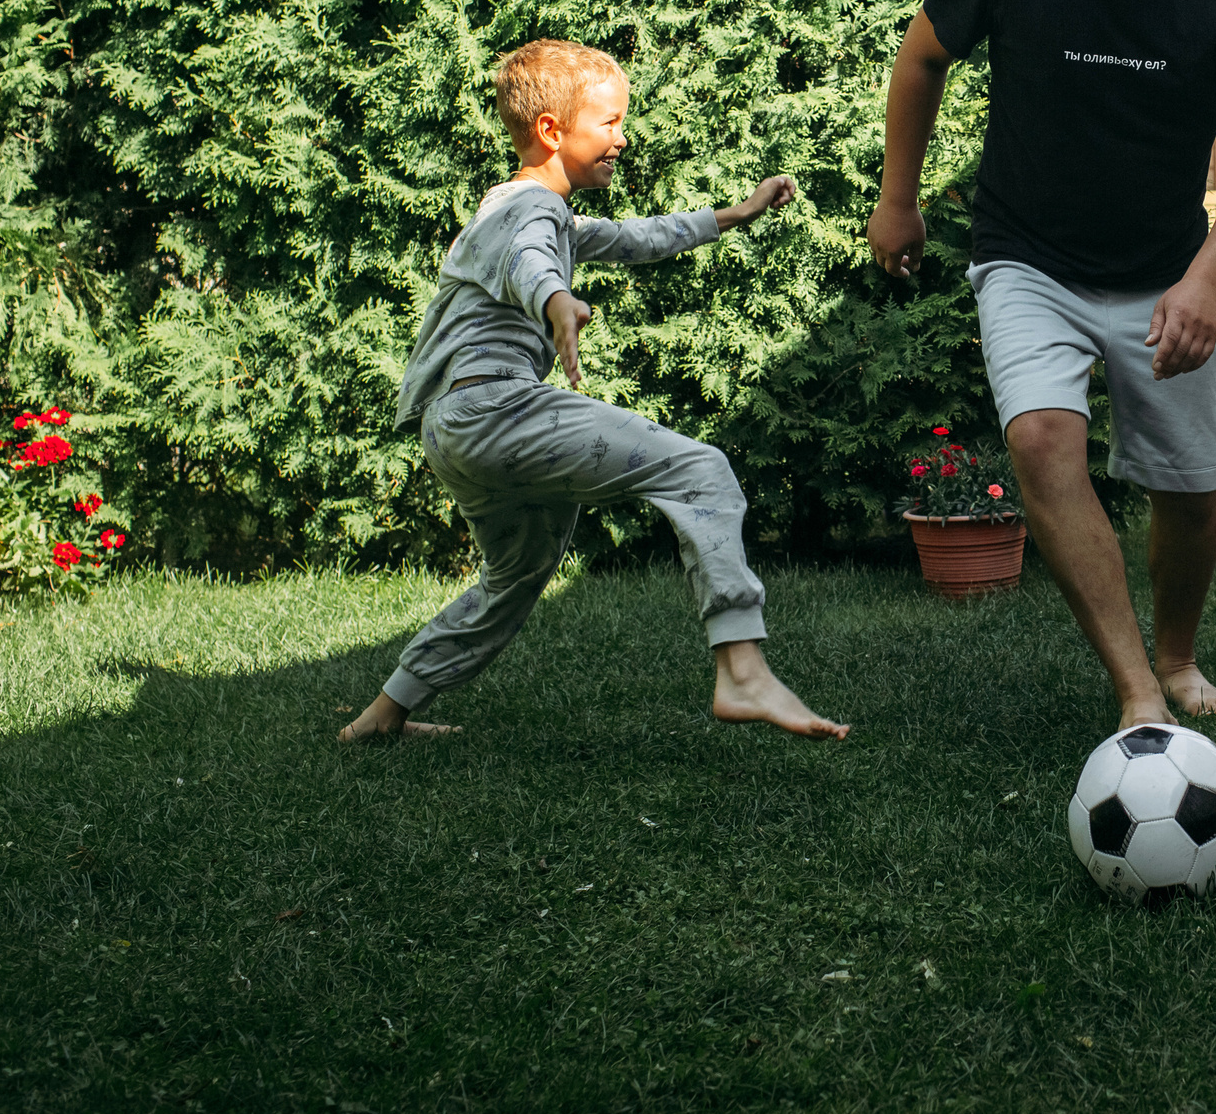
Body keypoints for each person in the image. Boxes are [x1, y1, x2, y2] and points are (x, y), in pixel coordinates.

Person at [866, 0, 1216, 728]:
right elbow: (922, 54)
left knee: (1187, 489)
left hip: (1163, 270)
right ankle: (1138, 691)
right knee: (1041, 437)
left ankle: (1177, 658)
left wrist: (1204, 284)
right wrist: (897, 198)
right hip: (1029, 255)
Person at [340, 38, 849, 744]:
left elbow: (636, 237)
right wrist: (556, 303)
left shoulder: (529, 208)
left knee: (513, 578)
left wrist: (736, 213)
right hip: (495, 408)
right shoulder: (529, 211)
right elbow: (531, 262)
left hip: (454, 426)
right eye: (609, 122)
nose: (622, 137)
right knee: (701, 470)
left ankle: (382, 715)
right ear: (552, 130)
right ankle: (742, 670)